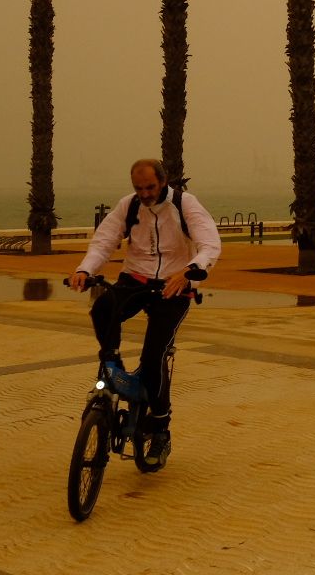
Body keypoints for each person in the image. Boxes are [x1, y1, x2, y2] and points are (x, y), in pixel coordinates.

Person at [68, 158, 221, 455]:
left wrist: (192, 270)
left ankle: (160, 425)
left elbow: (209, 242)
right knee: (102, 308)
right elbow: (104, 240)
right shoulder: (129, 205)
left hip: (174, 283)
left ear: (163, 181)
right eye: (139, 188)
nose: (145, 194)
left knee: (154, 357)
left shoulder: (184, 204)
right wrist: (85, 269)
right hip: (135, 278)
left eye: (150, 187)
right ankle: (114, 366)